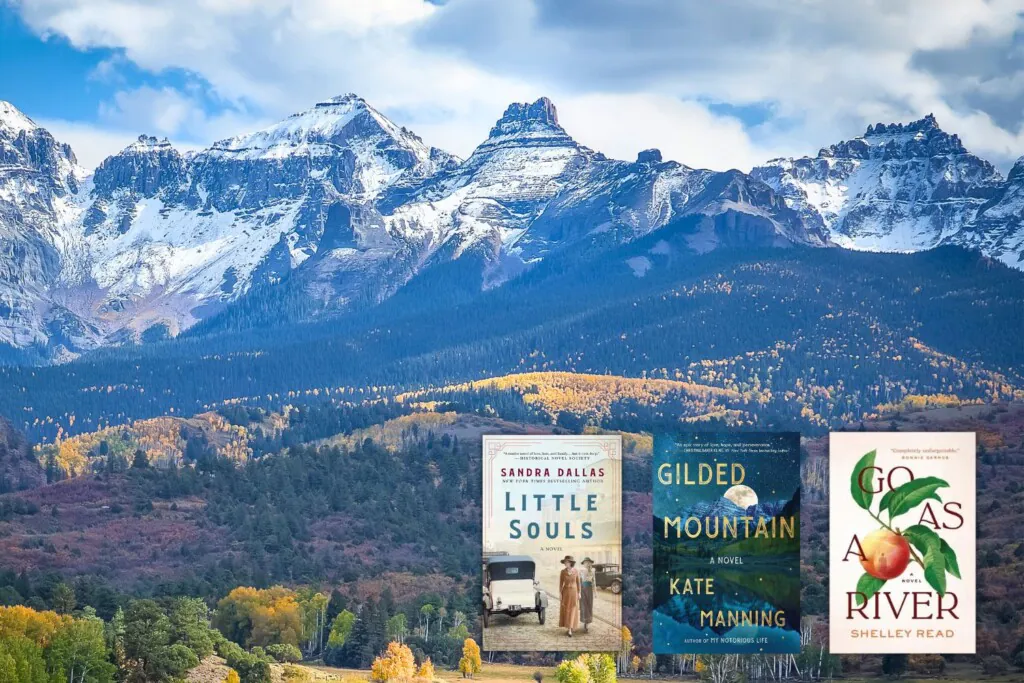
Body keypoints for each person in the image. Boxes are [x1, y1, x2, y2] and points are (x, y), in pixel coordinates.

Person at [558, 555, 581, 637]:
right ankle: (568, 627)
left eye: (567, 562)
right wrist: (560, 593)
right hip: (566, 592)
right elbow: (561, 584)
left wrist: (579, 593)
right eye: (565, 562)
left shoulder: (576, 571)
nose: (565, 563)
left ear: (570, 563)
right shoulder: (563, 572)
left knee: (573, 609)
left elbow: (578, 583)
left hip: (574, 592)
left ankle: (571, 628)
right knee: (567, 609)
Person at [579, 557, 595, 633]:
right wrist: (578, 592)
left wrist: (595, 593)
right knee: (584, 606)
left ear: (590, 563)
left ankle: (587, 623)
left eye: (588, 562)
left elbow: (594, 582)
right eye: (585, 562)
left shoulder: (592, 571)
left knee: (589, 606)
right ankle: (585, 623)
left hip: (589, 590)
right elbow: (579, 581)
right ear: (584, 563)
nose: (587, 563)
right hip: (583, 589)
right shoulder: (581, 571)